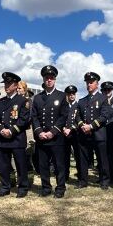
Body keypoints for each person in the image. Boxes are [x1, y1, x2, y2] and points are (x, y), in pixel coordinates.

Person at [0, 72, 30, 197]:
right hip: (2, 138)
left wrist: (11, 131)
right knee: (3, 165)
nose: (6, 86)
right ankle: (4, 187)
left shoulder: (23, 101)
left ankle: (23, 188)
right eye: (5, 83)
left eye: (9, 83)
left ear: (15, 85)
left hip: (17, 138)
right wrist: (1, 129)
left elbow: (24, 120)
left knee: (20, 164)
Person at [32, 65, 69, 197]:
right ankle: (46, 188)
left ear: (55, 79)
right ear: (43, 79)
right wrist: (39, 132)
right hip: (41, 137)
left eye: (51, 77)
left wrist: (52, 132)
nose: (49, 80)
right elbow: (34, 117)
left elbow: (64, 116)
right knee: (43, 165)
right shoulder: (37, 98)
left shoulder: (61, 95)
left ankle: (60, 188)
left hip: (56, 137)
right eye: (46, 77)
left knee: (59, 165)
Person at [76, 72, 113, 189]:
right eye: (87, 82)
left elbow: (104, 116)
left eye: (91, 82)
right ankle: (83, 181)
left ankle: (104, 181)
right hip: (84, 134)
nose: (89, 84)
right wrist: (82, 125)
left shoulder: (103, 98)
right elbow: (77, 116)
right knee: (83, 159)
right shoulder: (82, 101)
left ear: (97, 84)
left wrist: (91, 126)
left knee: (102, 159)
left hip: (98, 133)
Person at [101, 81, 113, 186]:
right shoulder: (99, 102)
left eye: (109, 90)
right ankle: (104, 177)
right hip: (102, 134)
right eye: (105, 90)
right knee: (103, 157)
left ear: (112, 90)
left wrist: (111, 121)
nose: (107, 91)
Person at [62, 85, 82, 182]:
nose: (71, 95)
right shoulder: (64, 106)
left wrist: (71, 128)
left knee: (78, 156)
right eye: (69, 94)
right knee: (65, 157)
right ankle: (65, 176)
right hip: (64, 135)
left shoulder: (79, 106)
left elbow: (80, 120)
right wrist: (63, 128)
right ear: (67, 95)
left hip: (75, 134)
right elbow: (61, 118)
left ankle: (80, 175)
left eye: (73, 93)